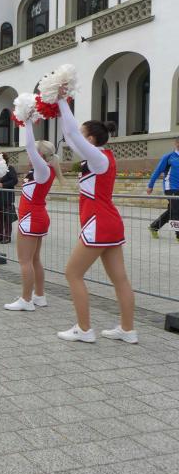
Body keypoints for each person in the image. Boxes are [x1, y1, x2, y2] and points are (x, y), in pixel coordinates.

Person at [56, 98, 136, 343]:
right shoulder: (100, 157)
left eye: (83, 135)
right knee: (120, 279)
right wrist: (58, 109)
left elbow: (72, 134)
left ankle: (84, 329)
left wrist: (60, 98)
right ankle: (128, 330)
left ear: (90, 139)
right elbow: (70, 136)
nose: (77, 140)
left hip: (99, 223)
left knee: (72, 273)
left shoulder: (99, 159)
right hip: (109, 222)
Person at [4, 121, 62, 312]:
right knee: (34, 259)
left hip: (32, 218)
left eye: (32, 154)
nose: (29, 156)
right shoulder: (42, 170)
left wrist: (27, 121)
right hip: (36, 217)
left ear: (40, 156)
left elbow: (29, 145)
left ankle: (26, 299)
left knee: (25, 261)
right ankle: (39, 296)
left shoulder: (42, 170)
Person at [147, 137, 179, 241]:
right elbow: (157, 171)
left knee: (172, 210)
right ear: (176, 143)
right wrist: (150, 185)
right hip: (171, 188)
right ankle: (178, 235)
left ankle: (154, 226)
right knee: (176, 210)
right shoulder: (168, 157)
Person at [0, 153, 18, 244]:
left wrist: (3, 185)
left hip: (7, 197)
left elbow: (14, 180)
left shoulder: (9, 168)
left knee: (7, 218)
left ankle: (7, 237)